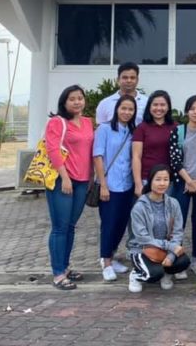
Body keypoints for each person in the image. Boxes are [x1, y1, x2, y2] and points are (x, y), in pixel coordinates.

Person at [45, 85, 94, 290]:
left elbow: (91, 150)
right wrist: (64, 177)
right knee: (60, 227)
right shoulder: (57, 122)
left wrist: (92, 177)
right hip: (62, 181)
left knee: (71, 226)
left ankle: (65, 267)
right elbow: (53, 150)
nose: (77, 102)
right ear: (64, 102)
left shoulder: (88, 122)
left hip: (83, 181)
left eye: (80, 98)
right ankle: (58, 274)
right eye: (72, 99)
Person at [93, 94, 136, 282]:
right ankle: (106, 262)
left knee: (121, 224)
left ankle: (113, 256)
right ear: (117, 109)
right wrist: (103, 184)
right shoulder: (104, 129)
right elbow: (98, 156)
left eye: (130, 109)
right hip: (109, 185)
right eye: (123, 108)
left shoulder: (132, 131)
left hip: (127, 185)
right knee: (109, 224)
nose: (126, 112)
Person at [127, 165, 190, 293]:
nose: (162, 183)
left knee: (184, 261)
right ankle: (136, 275)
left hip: (164, 249)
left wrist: (171, 257)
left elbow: (177, 233)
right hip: (143, 248)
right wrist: (171, 247)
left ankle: (166, 273)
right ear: (151, 182)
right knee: (154, 274)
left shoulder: (174, 203)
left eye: (166, 179)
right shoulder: (140, 207)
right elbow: (143, 238)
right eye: (158, 179)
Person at [168, 95, 196, 277]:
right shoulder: (178, 131)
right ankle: (178, 259)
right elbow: (174, 160)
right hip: (181, 184)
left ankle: (194, 259)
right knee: (179, 222)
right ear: (186, 111)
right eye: (192, 108)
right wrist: (189, 181)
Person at [132, 90, 177, 197]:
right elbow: (136, 157)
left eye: (163, 105)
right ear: (149, 107)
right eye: (155, 105)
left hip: (167, 180)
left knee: (164, 212)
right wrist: (138, 184)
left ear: (168, 107)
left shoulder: (175, 127)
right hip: (146, 179)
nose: (159, 108)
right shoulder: (142, 128)